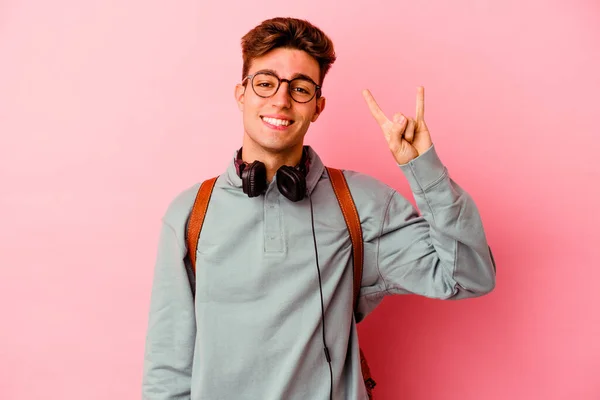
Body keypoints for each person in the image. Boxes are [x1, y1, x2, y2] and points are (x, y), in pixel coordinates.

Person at [141, 16, 496, 400]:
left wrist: (423, 168)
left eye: (300, 88)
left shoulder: (360, 204)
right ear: (241, 94)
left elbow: (469, 276)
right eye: (265, 83)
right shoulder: (190, 214)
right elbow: (168, 370)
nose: (281, 99)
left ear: (318, 106)